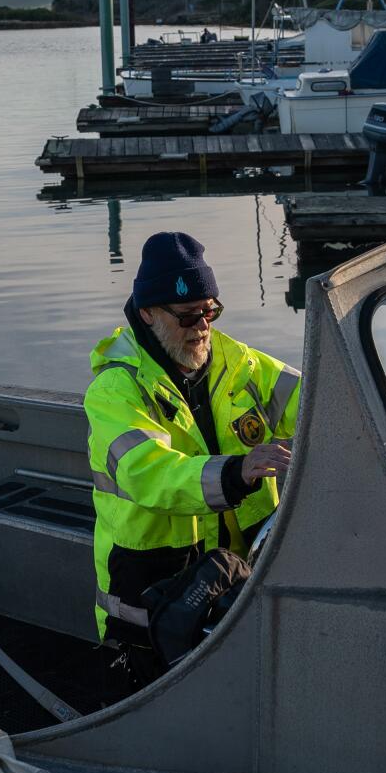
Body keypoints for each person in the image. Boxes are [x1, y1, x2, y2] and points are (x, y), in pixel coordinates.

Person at [85, 232, 300, 667]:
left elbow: (321, 401)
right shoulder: (115, 390)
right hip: (153, 584)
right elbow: (149, 472)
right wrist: (236, 472)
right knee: (154, 688)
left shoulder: (240, 364)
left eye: (210, 312)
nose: (202, 327)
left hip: (236, 576)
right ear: (147, 313)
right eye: (187, 317)